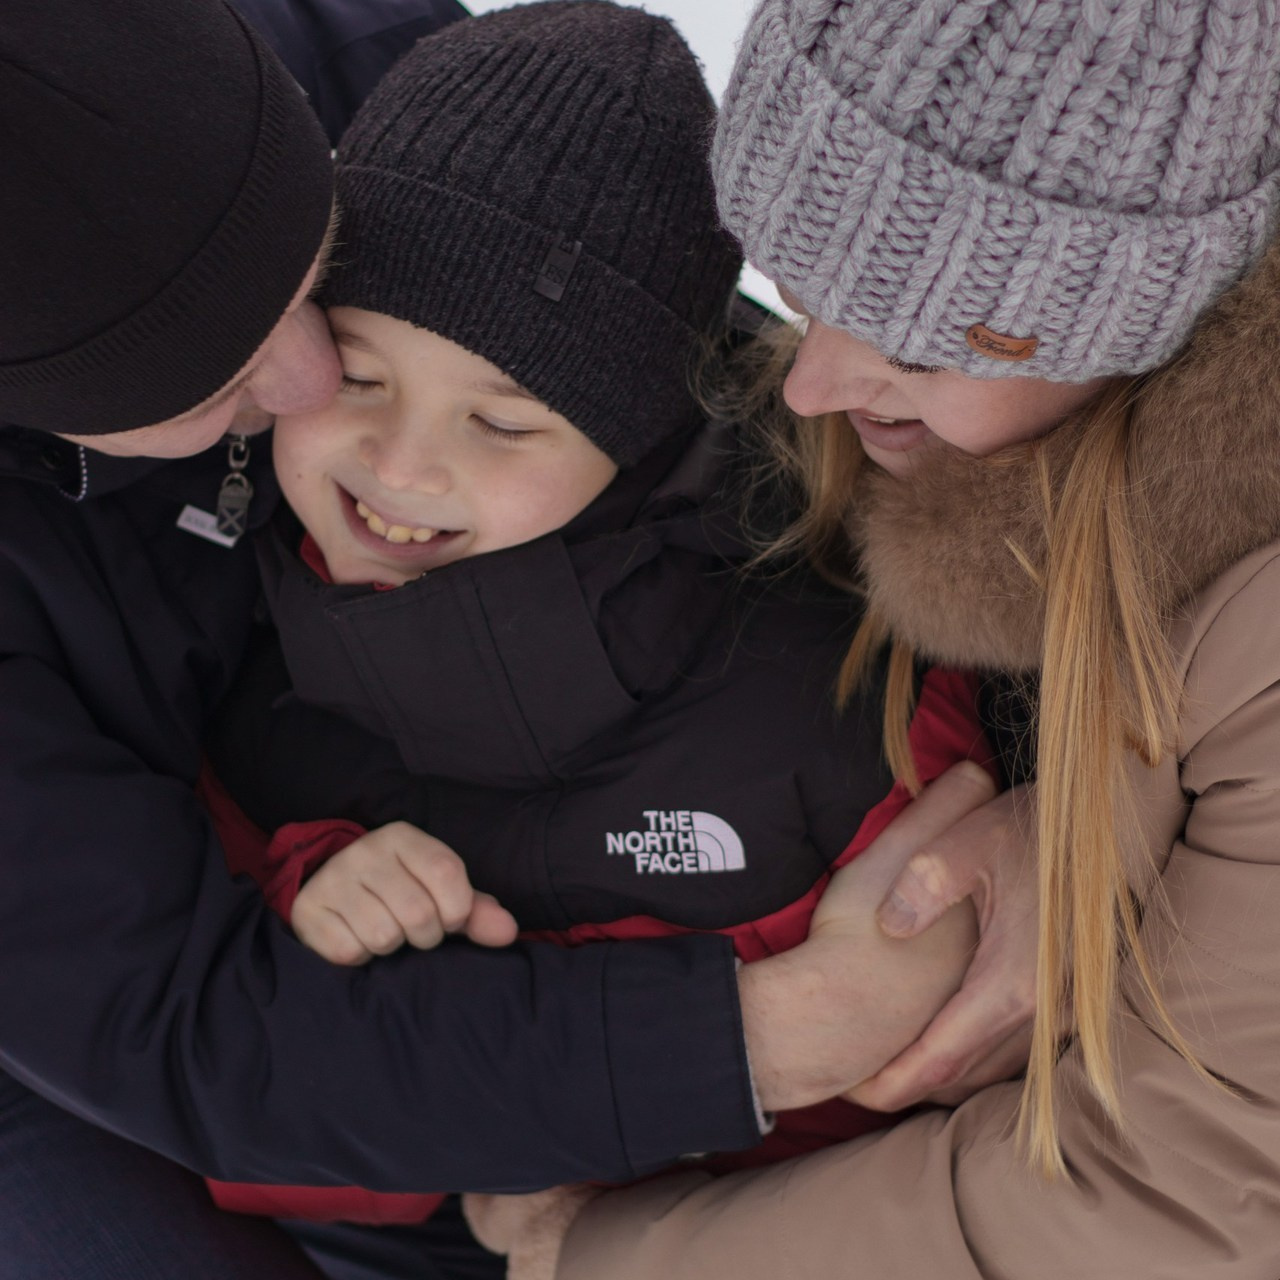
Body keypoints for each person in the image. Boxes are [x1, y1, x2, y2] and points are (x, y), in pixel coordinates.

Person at [0, 2, 1018, 1277]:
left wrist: (1085, 815)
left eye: (306, 266)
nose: (312, 378)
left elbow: (624, 271)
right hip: (165, 1036)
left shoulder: (337, 69)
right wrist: (757, 1038)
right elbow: (194, 1036)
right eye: (220, 368)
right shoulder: (280, 728)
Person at [465, 0, 1280, 1275]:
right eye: (796, 290)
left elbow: (1172, 1204)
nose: (808, 384)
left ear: (1141, 328)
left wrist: (603, 1250)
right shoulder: (918, 430)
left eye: (913, 345)